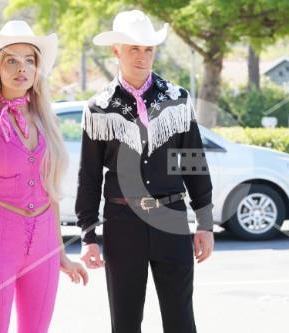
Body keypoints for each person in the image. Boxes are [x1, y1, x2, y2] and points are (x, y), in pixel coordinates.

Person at [75, 10, 214, 333]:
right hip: (122, 224)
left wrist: (204, 222)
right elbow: (90, 176)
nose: (142, 56)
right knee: (125, 322)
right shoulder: (99, 108)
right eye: (133, 48)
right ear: (116, 51)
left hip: (172, 219)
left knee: (181, 320)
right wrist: (88, 235)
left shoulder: (177, 100)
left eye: (148, 49)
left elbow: (193, 161)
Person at [0, 20, 88, 333]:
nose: (22, 68)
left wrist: (61, 255)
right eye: (11, 60)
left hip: (43, 242)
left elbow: (51, 192)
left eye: (29, 60)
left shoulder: (46, 118)